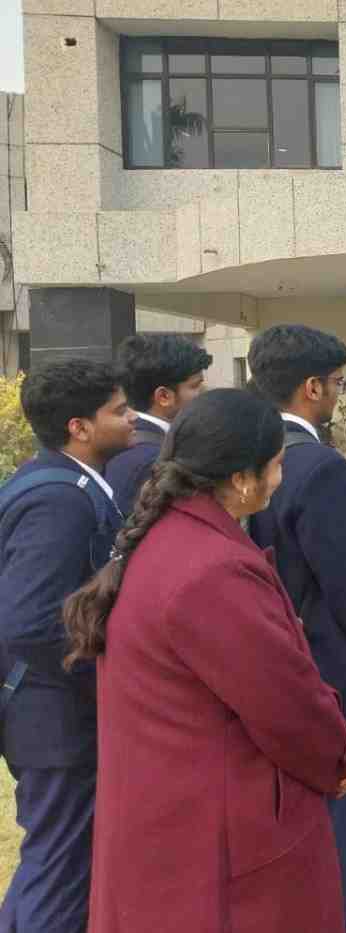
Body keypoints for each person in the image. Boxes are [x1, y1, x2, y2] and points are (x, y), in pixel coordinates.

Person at [63, 389, 346, 930]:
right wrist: (340, 756)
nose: (280, 478)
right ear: (242, 477)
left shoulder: (170, 539)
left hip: (170, 811)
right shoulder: (211, 570)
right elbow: (285, 702)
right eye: (276, 465)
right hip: (216, 832)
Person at [245, 325, 346, 932]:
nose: (340, 395)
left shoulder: (242, 458)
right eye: (339, 384)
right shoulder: (318, 465)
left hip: (265, 669)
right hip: (328, 674)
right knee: (339, 847)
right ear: (312, 387)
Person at [0, 360, 131, 933]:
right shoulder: (62, 499)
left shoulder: (56, 482)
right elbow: (28, 621)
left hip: (50, 711)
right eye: (119, 412)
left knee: (61, 865)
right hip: (53, 716)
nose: (132, 422)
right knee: (59, 870)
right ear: (80, 427)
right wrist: (103, 671)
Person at [105, 334, 212, 517]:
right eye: (195, 386)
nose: (204, 392)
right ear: (163, 396)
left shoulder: (122, 445)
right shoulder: (154, 461)